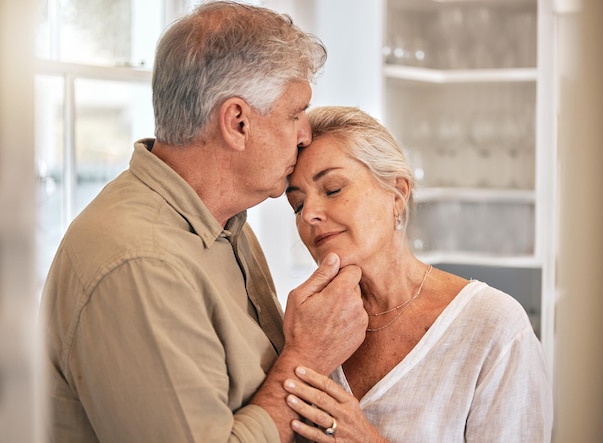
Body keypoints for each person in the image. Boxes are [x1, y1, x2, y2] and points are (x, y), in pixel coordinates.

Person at [40, 4, 368, 442]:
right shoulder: (140, 263)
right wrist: (306, 354)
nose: (305, 133)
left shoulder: (228, 226)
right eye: (295, 113)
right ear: (237, 123)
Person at [282, 106, 553, 442]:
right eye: (296, 204)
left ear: (397, 193)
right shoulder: (305, 328)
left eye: (333, 189)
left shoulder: (494, 327)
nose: (309, 214)